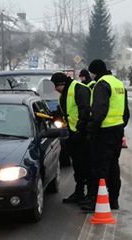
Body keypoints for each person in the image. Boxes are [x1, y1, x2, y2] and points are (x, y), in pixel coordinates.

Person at [80, 59, 130, 212]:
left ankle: (95, 201)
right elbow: (126, 112)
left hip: (103, 133)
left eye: (92, 73)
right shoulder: (118, 83)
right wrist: (120, 126)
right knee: (113, 166)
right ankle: (113, 200)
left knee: (99, 168)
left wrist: (91, 130)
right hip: (117, 131)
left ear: (95, 71)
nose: (92, 76)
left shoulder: (101, 84)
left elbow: (99, 111)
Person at [50, 72, 92, 204]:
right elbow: (65, 112)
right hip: (73, 133)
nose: (54, 90)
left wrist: (80, 129)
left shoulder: (79, 89)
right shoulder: (65, 93)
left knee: (85, 165)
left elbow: (84, 110)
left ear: (60, 84)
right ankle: (79, 192)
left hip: (83, 134)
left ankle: (90, 194)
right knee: (78, 165)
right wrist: (51, 115)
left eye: (55, 86)